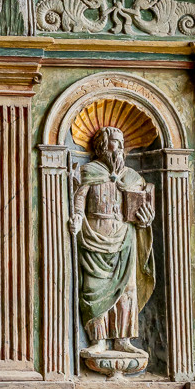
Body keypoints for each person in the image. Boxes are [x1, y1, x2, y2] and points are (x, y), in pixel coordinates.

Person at [69, 126, 155, 354]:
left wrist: (146, 220)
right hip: (94, 236)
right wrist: (77, 217)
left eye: (121, 142)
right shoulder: (89, 172)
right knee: (93, 288)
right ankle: (98, 340)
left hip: (125, 238)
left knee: (127, 289)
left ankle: (122, 339)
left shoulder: (132, 177)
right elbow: (79, 200)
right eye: (115, 141)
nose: (119, 148)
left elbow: (143, 207)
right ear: (102, 146)